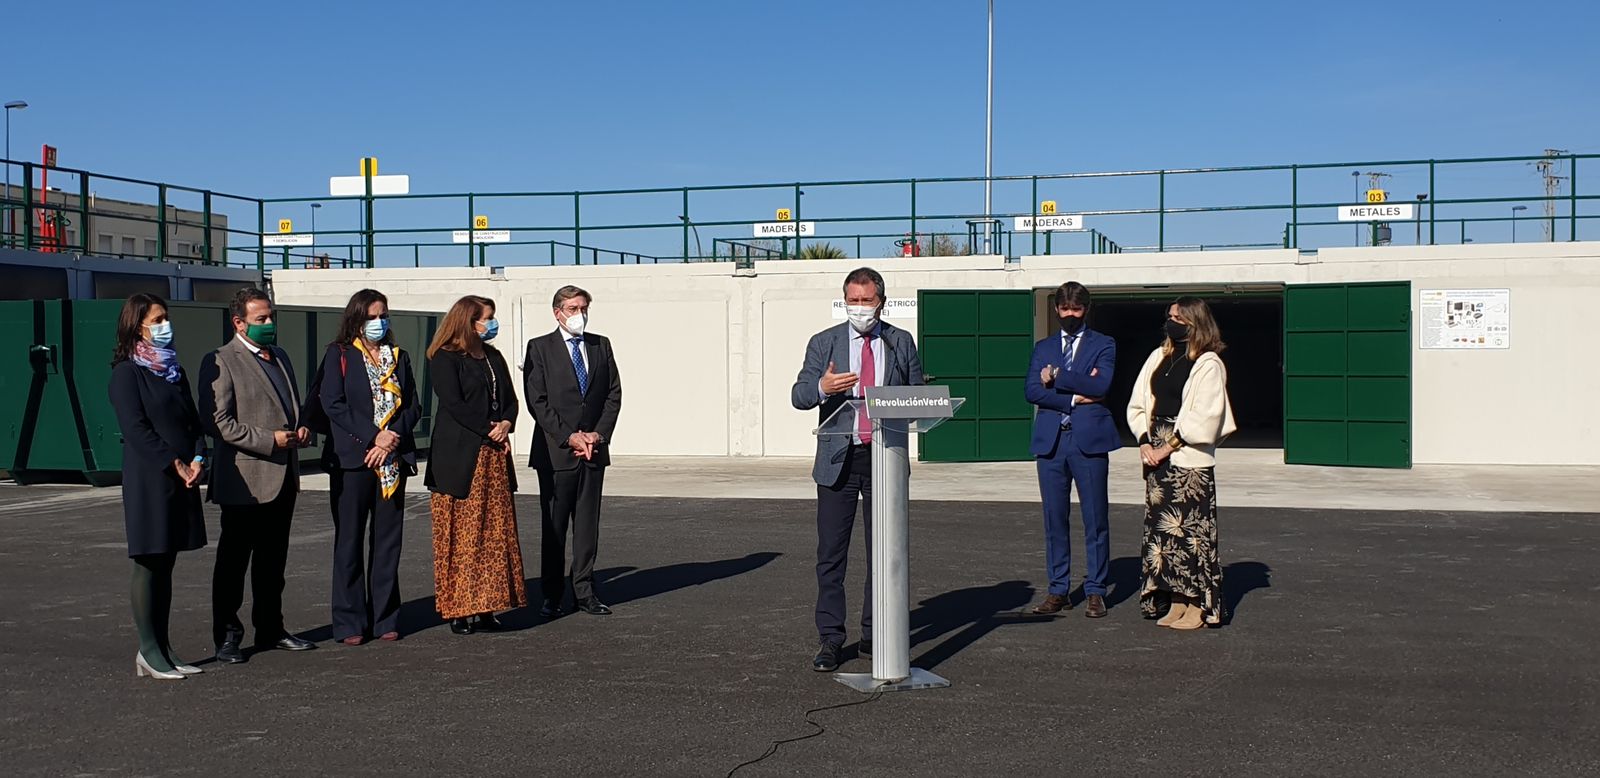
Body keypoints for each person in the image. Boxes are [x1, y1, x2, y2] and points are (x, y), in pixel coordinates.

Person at [790, 267, 924, 672]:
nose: (860, 308)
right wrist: (823, 388)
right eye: (853, 300)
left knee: (882, 554)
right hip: (839, 460)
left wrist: (906, 401)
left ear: (881, 302)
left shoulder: (900, 341)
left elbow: (917, 395)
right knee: (831, 555)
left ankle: (874, 633)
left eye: (867, 301)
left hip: (885, 456)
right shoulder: (824, 342)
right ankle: (831, 638)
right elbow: (798, 395)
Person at [199, 287, 318, 663]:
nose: (269, 324)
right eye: (260, 319)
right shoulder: (221, 360)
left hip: (282, 478)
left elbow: (289, 408)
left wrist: (301, 429)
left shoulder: (279, 357)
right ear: (239, 322)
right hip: (245, 482)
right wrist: (270, 440)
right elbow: (218, 422)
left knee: (272, 562)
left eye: (271, 317)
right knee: (233, 564)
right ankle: (227, 636)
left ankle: (270, 628)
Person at [107, 293, 208, 680]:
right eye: (158, 320)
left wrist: (197, 458)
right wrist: (173, 462)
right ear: (138, 327)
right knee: (149, 561)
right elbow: (135, 429)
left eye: (167, 318)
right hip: (151, 478)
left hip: (182, 479)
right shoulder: (126, 374)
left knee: (167, 562)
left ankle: (163, 647)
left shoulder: (174, 371)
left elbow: (193, 423)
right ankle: (148, 649)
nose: (166, 326)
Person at [317, 289, 421, 645]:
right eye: (372, 316)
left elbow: (413, 405)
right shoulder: (339, 354)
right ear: (357, 318)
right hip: (353, 460)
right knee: (349, 541)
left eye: (384, 316)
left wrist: (391, 439)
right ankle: (349, 621)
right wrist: (373, 437)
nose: (379, 322)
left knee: (388, 542)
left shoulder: (399, 357)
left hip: (392, 459)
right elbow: (333, 403)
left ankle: (385, 617)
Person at [1126, 296, 1236, 630]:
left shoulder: (1208, 363)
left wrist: (1167, 447)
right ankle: (1174, 599)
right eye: (1170, 316)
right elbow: (1138, 402)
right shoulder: (1159, 356)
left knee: (1192, 534)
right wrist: (1145, 442)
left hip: (1188, 459)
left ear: (1195, 322)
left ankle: (1197, 604)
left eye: (1179, 318)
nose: (1171, 322)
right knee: (1164, 535)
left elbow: (1205, 416)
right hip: (1156, 455)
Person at [425, 295, 526, 635]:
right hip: (459, 458)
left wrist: (506, 423)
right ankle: (459, 609)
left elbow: (510, 400)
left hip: (493, 456)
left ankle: (487, 607)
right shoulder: (445, 357)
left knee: (493, 535)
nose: (491, 323)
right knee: (461, 535)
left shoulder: (493, 356)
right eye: (487, 317)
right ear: (469, 322)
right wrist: (488, 428)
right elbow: (454, 404)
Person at [523, 285, 623, 618]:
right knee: (554, 527)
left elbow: (613, 394)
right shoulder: (539, 348)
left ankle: (584, 591)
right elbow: (537, 401)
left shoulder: (600, 345)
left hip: (593, 451)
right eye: (572, 308)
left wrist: (597, 434)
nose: (579, 314)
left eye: (583, 308)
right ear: (558, 313)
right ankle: (551, 594)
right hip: (556, 453)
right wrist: (569, 437)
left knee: (587, 527)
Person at [1023, 281, 1119, 618]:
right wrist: (1076, 396)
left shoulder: (1103, 344)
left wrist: (1057, 375)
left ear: (1086, 309)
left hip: (1089, 442)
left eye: (1076, 309)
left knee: (1095, 518)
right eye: (1065, 309)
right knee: (1054, 520)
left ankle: (1095, 590)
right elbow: (1032, 391)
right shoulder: (1043, 347)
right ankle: (1058, 589)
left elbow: (1101, 384)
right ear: (1056, 309)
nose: (1070, 315)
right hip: (1051, 443)